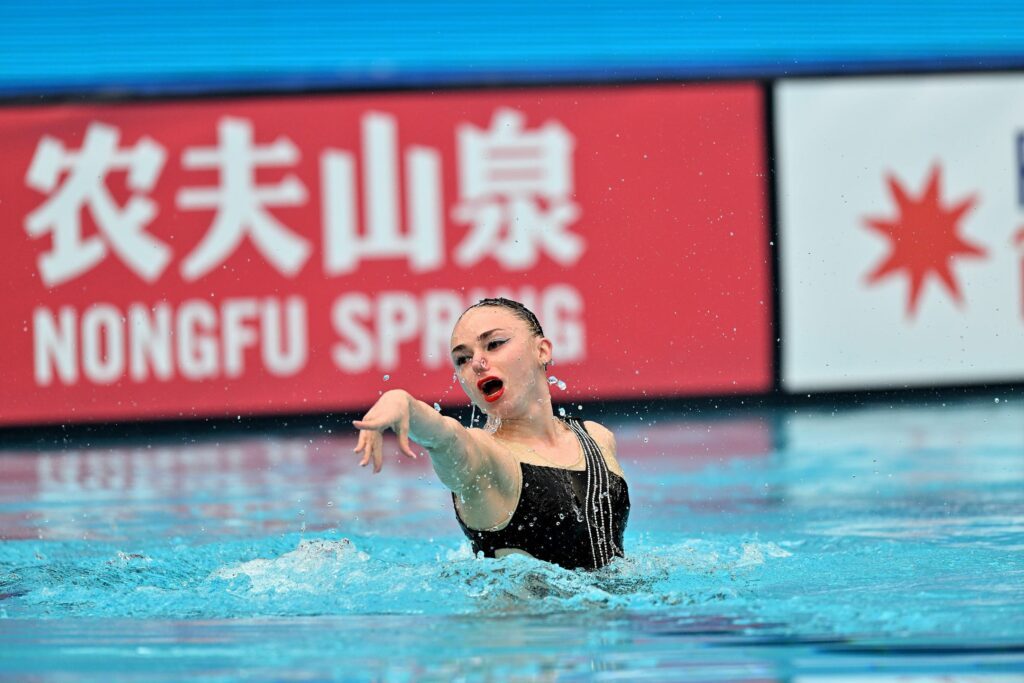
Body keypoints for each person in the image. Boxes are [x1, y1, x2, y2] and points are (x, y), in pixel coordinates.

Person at [352, 298, 630, 571]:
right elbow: (445, 438)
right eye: (463, 359)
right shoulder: (485, 461)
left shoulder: (597, 438)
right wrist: (405, 403)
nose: (477, 363)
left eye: (494, 344)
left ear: (542, 350)